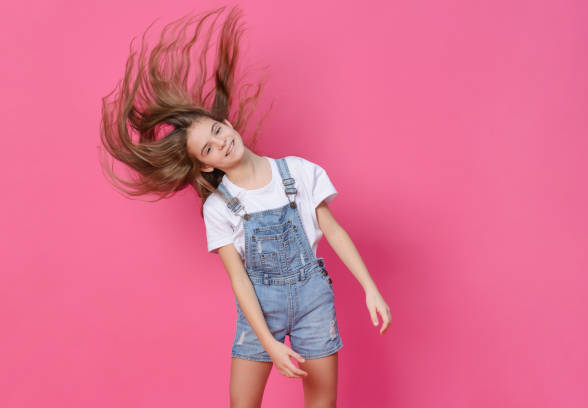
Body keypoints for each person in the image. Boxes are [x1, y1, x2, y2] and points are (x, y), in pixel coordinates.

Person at [99, 5, 391, 407]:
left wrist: (370, 289)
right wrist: (269, 344)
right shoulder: (220, 208)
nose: (221, 143)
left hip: (314, 303)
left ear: (227, 123)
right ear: (205, 164)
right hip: (259, 312)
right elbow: (239, 281)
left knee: (323, 402)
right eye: (209, 147)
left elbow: (334, 231)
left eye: (218, 130)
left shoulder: (299, 172)